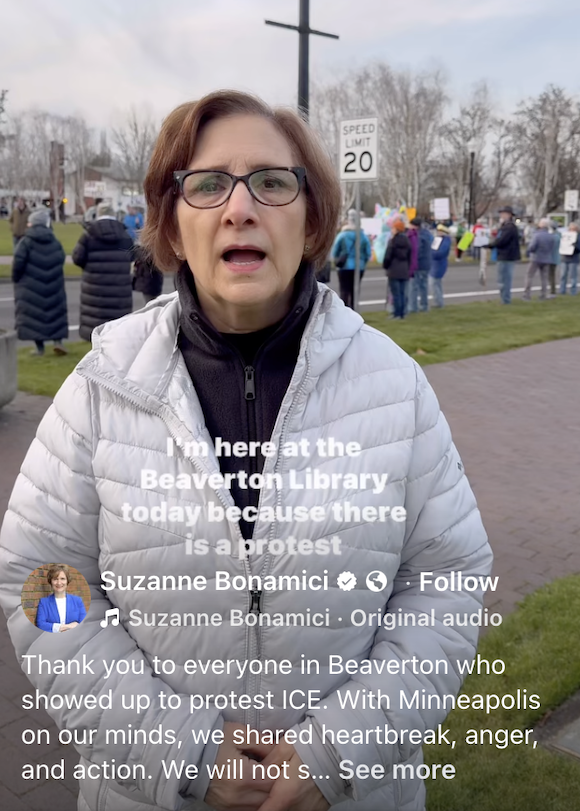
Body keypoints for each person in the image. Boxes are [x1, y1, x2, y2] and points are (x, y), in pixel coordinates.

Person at [0, 89, 492, 811]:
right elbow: (41, 582)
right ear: (169, 220)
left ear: (311, 213)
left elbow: (447, 582)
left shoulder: (395, 385)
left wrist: (335, 751)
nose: (240, 208)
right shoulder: (100, 389)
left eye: (271, 180)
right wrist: (181, 747)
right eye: (206, 184)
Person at [73, 201, 134, 341]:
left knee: (95, 324)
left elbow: (77, 257)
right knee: (116, 330)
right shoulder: (125, 236)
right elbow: (132, 256)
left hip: (94, 287)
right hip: (119, 289)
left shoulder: (88, 235)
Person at [11, 208, 68, 356]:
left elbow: (18, 263)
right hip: (53, 285)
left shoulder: (25, 242)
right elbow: (60, 259)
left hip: (31, 286)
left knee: (34, 316)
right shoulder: (55, 241)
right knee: (55, 313)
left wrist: (16, 279)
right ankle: (58, 342)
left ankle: (40, 348)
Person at [331, 209, 371, 308]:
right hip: (359, 266)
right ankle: (353, 310)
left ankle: (344, 312)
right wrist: (363, 262)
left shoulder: (342, 235)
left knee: (344, 290)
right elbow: (368, 252)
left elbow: (335, 251)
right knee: (355, 290)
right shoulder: (363, 236)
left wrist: (336, 260)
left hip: (344, 266)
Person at [35, 564, 87, 633]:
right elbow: (41, 625)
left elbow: (84, 624)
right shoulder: (44, 602)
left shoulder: (77, 601)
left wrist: (55, 627)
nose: (59, 583)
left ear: (67, 581)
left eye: (62, 579)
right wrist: (68, 626)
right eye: (55, 579)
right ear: (51, 581)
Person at [488, 205, 521, 304]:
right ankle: (504, 299)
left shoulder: (509, 227)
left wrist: (490, 245)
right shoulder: (505, 226)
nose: (501, 215)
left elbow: (502, 241)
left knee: (504, 280)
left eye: (503, 213)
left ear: (509, 215)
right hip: (504, 255)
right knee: (502, 279)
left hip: (506, 256)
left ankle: (506, 300)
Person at [382, 218, 411, 319]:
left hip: (394, 270)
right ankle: (402, 313)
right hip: (404, 269)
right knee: (403, 293)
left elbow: (388, 256)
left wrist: (385, 266)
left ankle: (397, 313)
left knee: (396, 294)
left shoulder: (393, 241)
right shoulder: (407, 241)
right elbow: (410, 256)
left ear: (397, 229)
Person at [523, 218, 554, 301]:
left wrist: (528, 251)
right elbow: (552, 247)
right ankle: (543, 294)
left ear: (541, 225)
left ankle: (527, 295)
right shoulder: (551, 236)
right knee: (544, 278)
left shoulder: (537, 235)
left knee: (529, 276)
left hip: (536, 258)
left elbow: (532, 246)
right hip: (546, 258)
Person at [408, 216, 433, 313]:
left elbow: (416, 250)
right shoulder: (427, 234)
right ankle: (424, 305)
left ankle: (413, 306)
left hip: (419, 264)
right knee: (423, 286)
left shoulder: (418, 236)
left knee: (414, 286)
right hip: (426, 263)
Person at [430, 224, 452, 307]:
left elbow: (439, 253)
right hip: (434, 263)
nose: (438, 232)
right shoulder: (437, 240)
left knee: (434, 283)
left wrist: (430, 253)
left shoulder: (446, 241)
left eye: (440, 231)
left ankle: (439, 303)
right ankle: (438, 301)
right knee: (435, 284)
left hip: (439, 264)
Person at [559, 222, 580, 295]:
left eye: (573, 229)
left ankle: (573, 292)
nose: (572, 230)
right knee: (563, 276)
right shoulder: (565, 236)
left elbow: (579, 249)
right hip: (564, 258)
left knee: (573, 276)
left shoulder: (578, 237)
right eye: (570, 229)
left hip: (573, 259)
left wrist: (575, 246)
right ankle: (562, 291)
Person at [548, 223, 561, 297]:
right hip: (555, 258)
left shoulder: (554, 236)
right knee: (551, 275)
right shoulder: (558, 235)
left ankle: (552, 291)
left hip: (552, 258)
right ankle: (552, 290)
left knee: (551, 275)